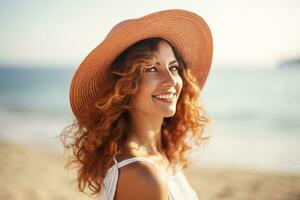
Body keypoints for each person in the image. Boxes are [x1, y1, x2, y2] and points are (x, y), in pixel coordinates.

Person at [60, 9, 213, 200]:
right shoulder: (144, 175)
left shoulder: (160, 155)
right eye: (151, 68)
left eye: (173, 67)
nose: (171, 80)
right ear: (123, 85)